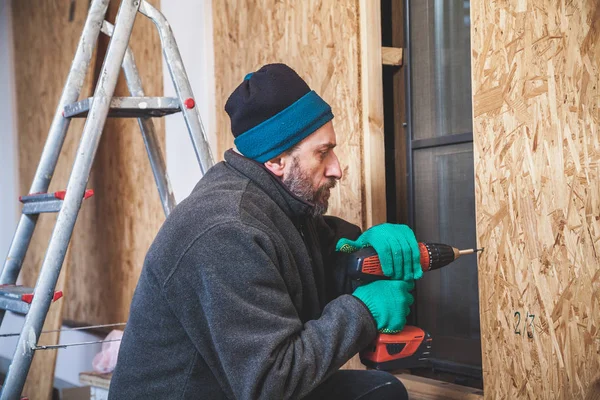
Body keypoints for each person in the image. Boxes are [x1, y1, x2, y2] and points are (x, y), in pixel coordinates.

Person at [109, 63, 422, 399]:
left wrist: (360, 247)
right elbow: (271, 383)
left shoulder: (271, 202)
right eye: (323, 153)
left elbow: (301, 251)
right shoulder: (226, 232)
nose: (337, 168)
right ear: (276, 161)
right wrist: (364, 312)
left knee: (380, 390)